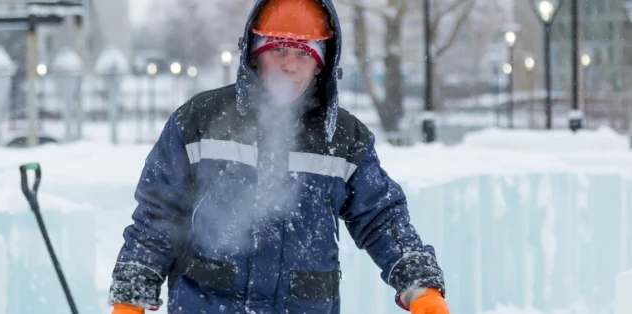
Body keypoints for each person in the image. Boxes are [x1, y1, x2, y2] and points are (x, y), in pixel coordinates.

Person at [108, 0, 450, 313]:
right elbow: (159, 215)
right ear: (255, 55)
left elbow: (381, 218)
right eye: (280, 49)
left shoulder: (344, 138)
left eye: (304, 54)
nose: (290, 65)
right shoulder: (199, 120)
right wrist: (131, 296)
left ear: (321, 65)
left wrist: (420, 287)